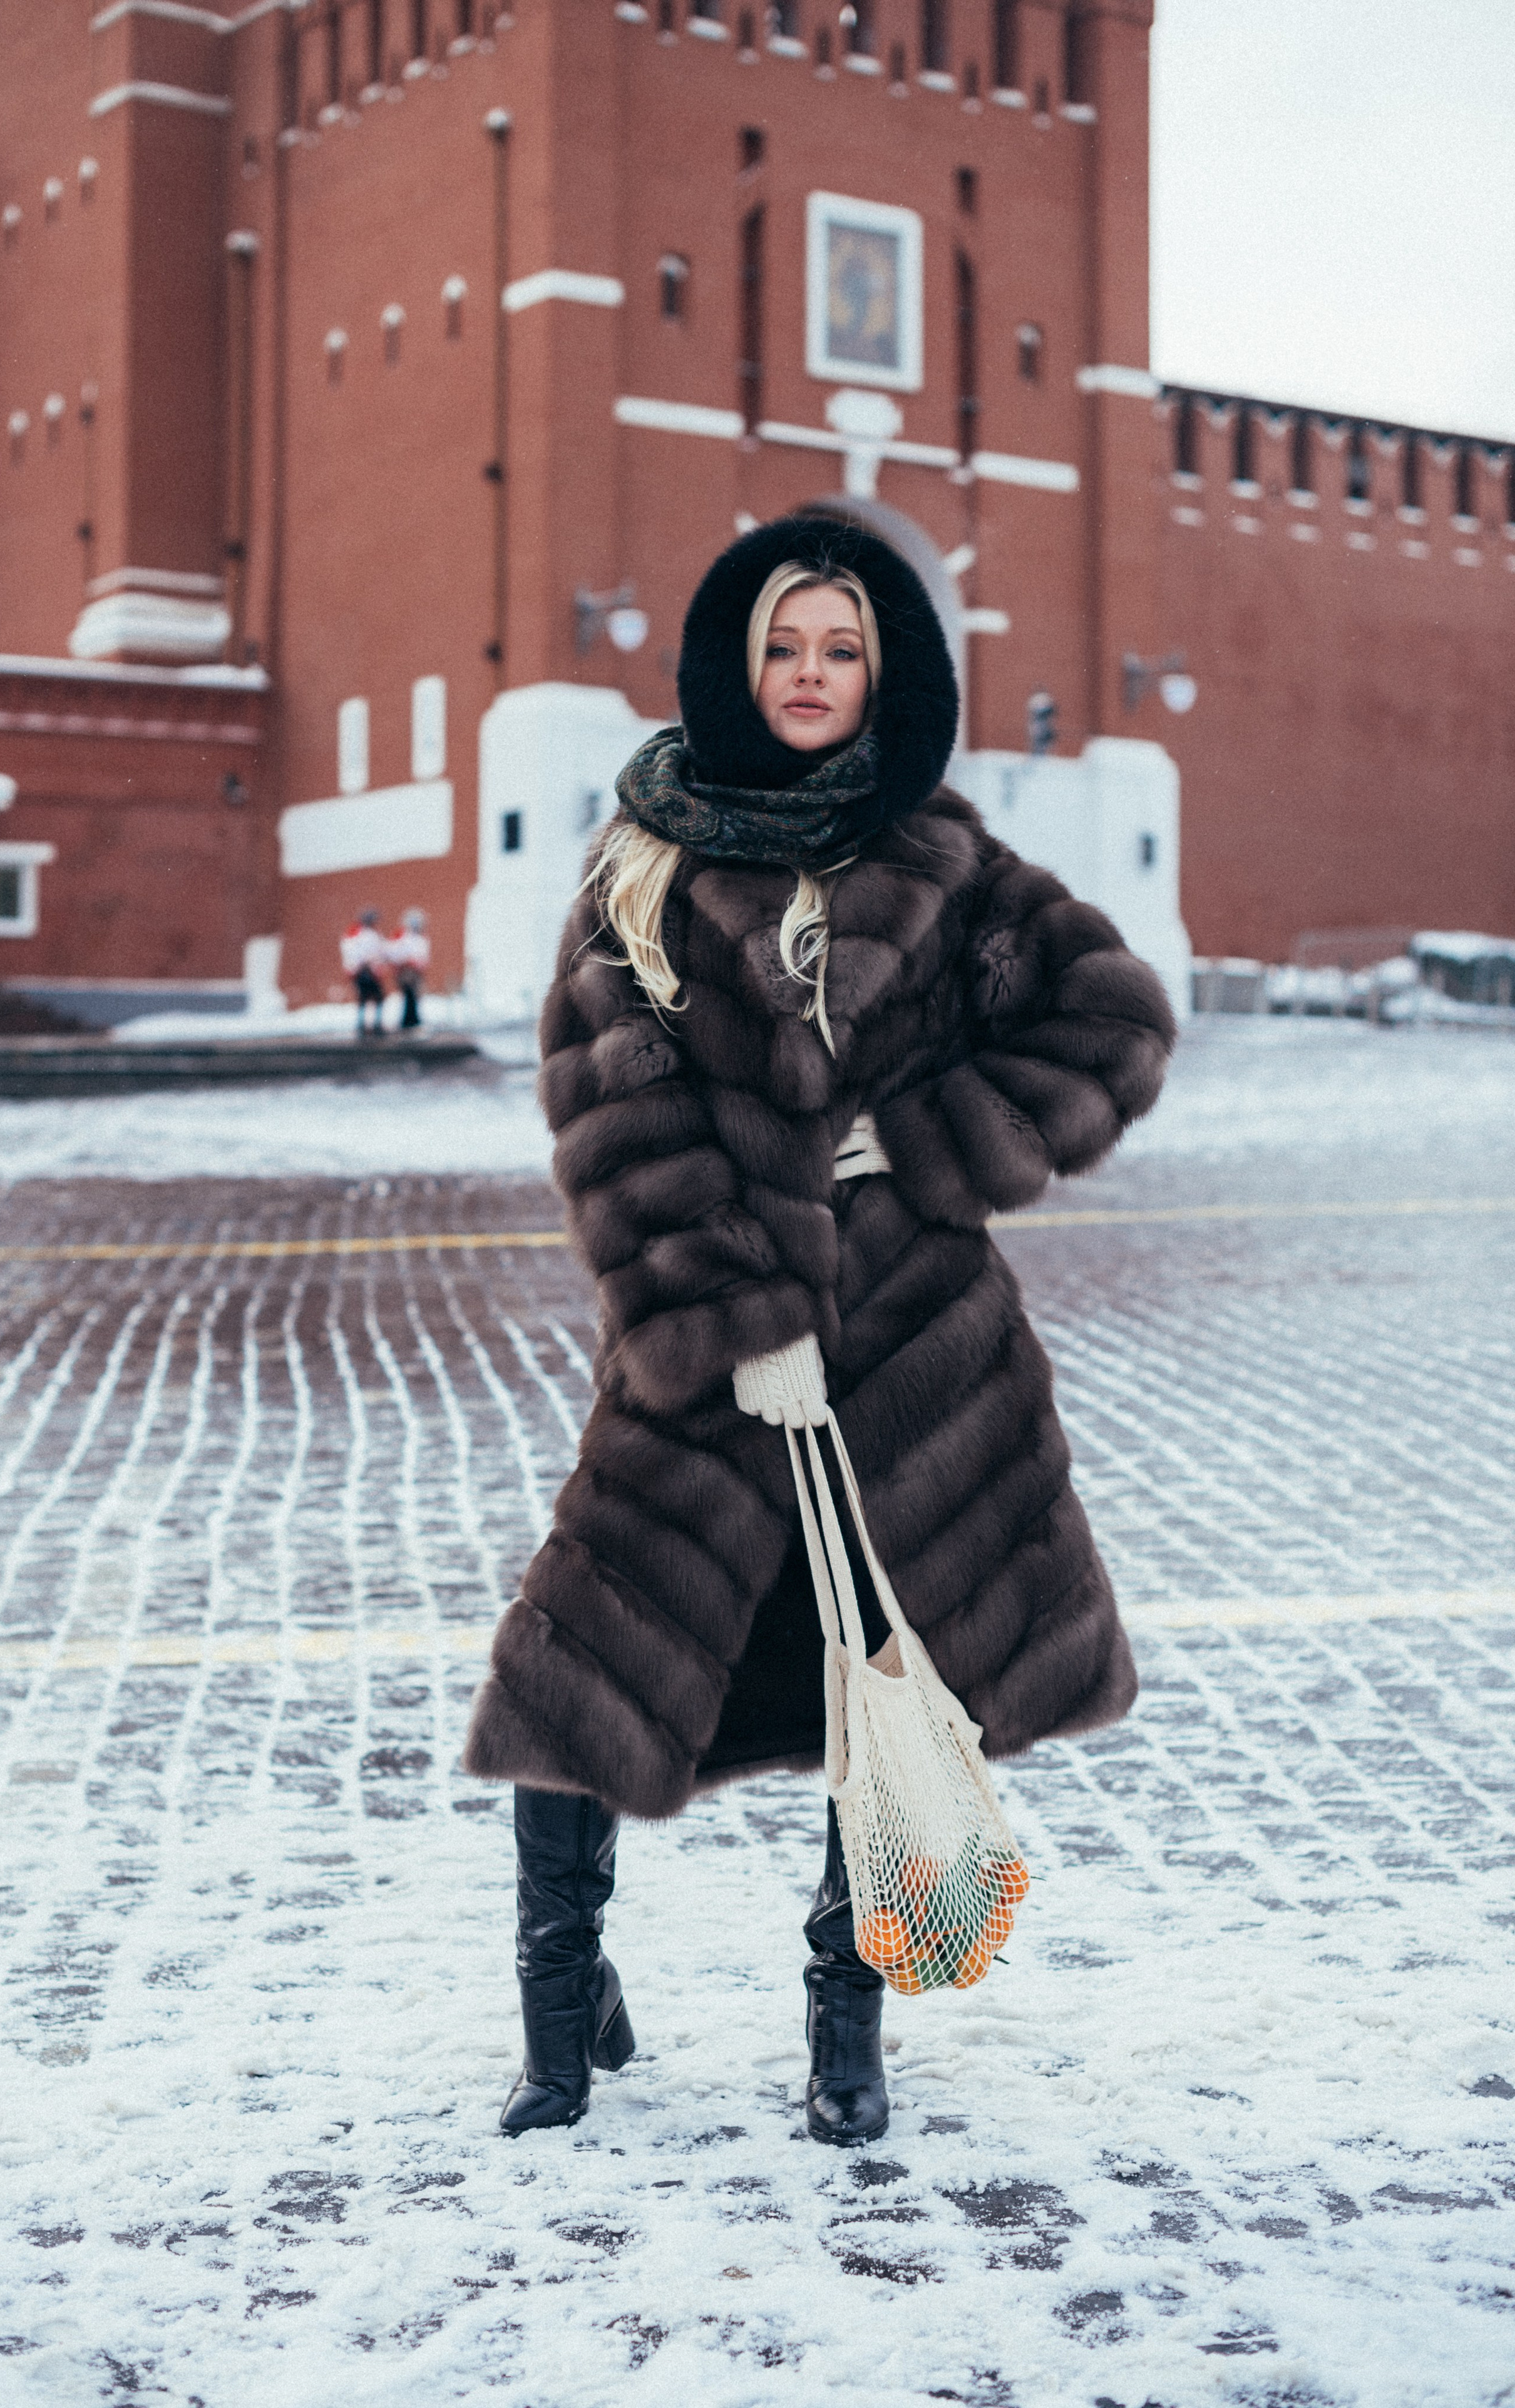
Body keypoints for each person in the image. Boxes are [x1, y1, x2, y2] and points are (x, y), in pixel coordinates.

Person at [463, 517, 1175, 2145]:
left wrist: (916, 1144)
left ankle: (844, 2020)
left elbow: (1114, 1020)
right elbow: (609, 1122)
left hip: (914, 1358)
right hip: (702, 1358)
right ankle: (562, 2017)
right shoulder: (644, 863)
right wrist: (738, 1316)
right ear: (735, 662)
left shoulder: (948, 863)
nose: (808, 673)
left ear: (880, 672)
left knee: (882, 1676)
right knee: (576, 1678)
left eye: (839, 649)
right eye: (783, 645)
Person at [339, 908, 388, 1036]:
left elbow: (381, 951)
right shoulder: (361, 934)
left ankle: (367, 1024)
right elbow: (359, 953)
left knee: (371, 997)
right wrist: (361, 966)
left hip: (367, 970)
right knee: (373, 996)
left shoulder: (370, 934)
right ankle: (370, 1025)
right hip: (365, 971)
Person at [388, 908, 430, 1032]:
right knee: (409, 995)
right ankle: (408, 1021)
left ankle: (413, 1019)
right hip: (406, 971)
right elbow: (396, 953)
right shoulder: (403, 938)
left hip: (416, 972)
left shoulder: (421, 938)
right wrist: (406, 962)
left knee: (415, 996)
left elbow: (423, 955)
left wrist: (420, 964)